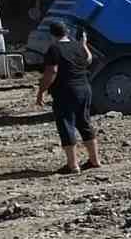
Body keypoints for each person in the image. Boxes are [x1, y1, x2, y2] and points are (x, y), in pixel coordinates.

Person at [35, 19, 101, 173]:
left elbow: (52, 72)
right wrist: (84, 44)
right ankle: (94, 160)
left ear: (51, 34)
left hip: (66, 91)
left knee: (66, 125)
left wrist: (41, 91)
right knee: (84, 123)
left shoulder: (54, 49)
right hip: (84, 89)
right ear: (67, 32)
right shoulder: (77, 45)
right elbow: (88, 60)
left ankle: (73, 165)